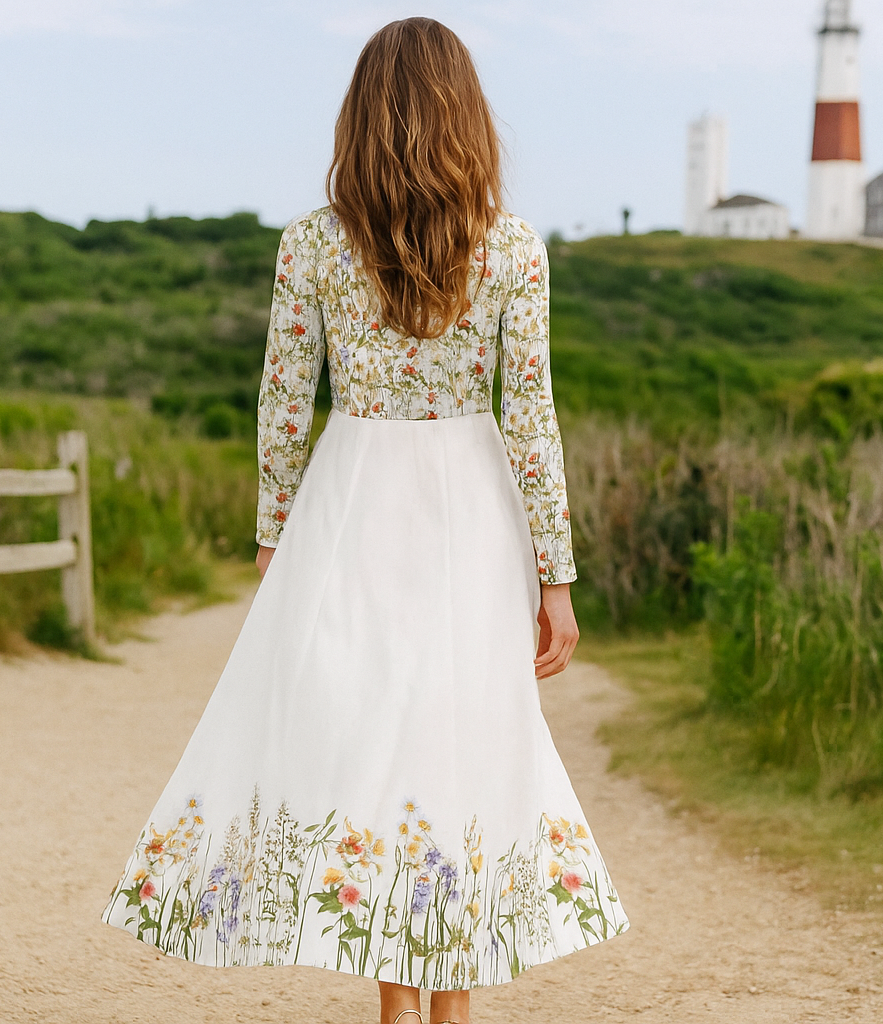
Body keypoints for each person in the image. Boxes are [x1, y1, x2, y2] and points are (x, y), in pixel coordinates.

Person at [102, 17, 628, 1024]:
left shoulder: (312, 243)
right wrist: (556, 573)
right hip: (473, 508)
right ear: (467, 116)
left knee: (378, 744)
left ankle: (401, 1011)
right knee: (457, 747)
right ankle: (446, 1013)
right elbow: (532, 419)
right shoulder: (512, 246)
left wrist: (274, 536)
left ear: (363, 114)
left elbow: (280, 400)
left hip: (351, 498)